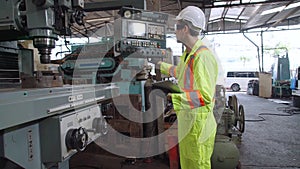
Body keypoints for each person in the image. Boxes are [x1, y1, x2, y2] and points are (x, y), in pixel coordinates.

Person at [156, 6, 218, 169]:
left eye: (177, 28)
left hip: (198, 125)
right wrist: (157, 65)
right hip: (189, 122)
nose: (174, 31)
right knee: (187, 163)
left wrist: (172, 98)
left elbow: (203, 97)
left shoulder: (202, 56)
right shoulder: (189, 54)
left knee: (197, 164)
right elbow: (180, 72)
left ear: (184, 29)